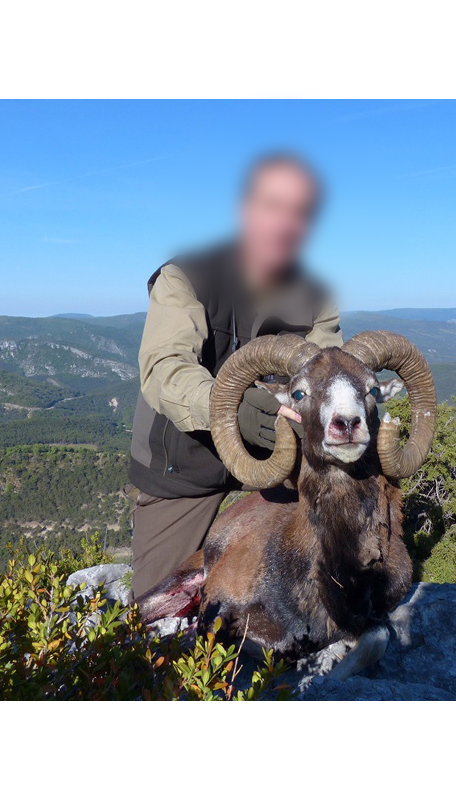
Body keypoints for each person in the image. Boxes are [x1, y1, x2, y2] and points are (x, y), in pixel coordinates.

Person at [128, 153, 342, 598]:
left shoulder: (316, 298)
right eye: (272, 206)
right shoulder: (186, 277)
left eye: (299, 212)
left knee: (327, 576)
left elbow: (329, 378)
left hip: (275, 451)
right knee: (157, 607)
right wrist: (233, 406)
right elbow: (163, 368)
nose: (285, 223)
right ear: (246, 210)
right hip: (184, 460)